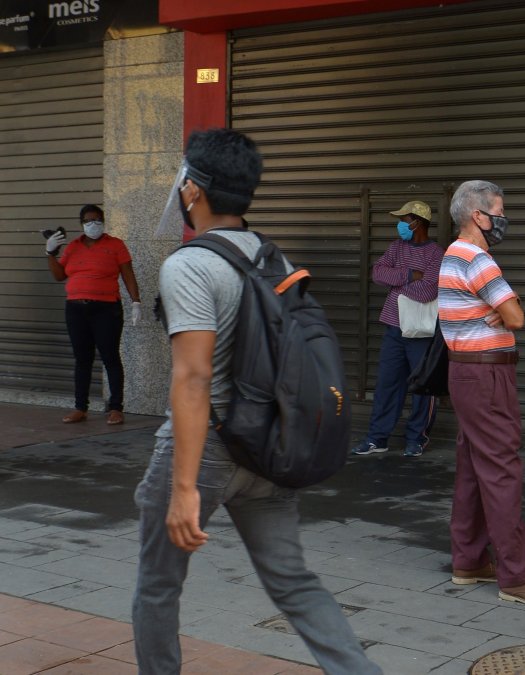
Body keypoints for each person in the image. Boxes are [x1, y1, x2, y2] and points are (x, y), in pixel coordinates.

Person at [132, 128, 382, 674]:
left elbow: (193, 378)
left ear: (193, 189)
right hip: (269, 447)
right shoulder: (270, 255)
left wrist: (182, 490)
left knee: (157, 589)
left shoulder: (189, 266)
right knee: (294, 583)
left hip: (203, 454)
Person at [437, 179, 525, 608]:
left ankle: (469, 560)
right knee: (502, 470)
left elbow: (506, 313)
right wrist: (503, 310)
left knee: (474, 467)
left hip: (466, 374)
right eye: (498, 211)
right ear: (478, 215)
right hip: (487, 378)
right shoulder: (477, 259)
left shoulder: (454, 255)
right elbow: (517, 316)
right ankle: (517, 576)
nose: (502, 220)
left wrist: (501, 311)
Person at [350, 201, 445, 457]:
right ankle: (377, 438)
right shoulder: (396, 247)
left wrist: (397, 285)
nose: (401, 224)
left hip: (420, 332)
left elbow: (428, 291)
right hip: (394, 328)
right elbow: (378, 273)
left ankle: (417, 438)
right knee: (387, 385)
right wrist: (410, 275)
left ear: (418, 222)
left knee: (423, 388)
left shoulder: (436, 254)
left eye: (405, 219)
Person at [44, 205, 141, 425]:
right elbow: (59, 275)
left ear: (104, 221)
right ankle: (80, 408)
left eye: (98, 220)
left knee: (110, 358)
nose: (93, 224)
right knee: (82, 359)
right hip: (76, 310)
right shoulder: (73, 247)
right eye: (89, 220)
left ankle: (115, 408)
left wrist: (136, 302)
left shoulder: (115, 245)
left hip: (106, 309)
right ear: (82, 224)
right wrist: (50, 253)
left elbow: (128, 274)